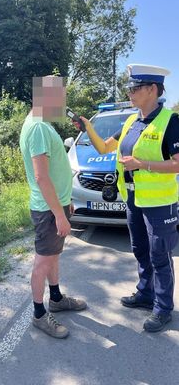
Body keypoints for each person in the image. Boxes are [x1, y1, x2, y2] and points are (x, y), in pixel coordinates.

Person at [77, 64, 179, 332]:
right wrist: (87, 126)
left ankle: (163, 308)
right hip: (133, 199)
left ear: (152, 89)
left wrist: (142, 164)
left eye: (135, 88)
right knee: (140, 250)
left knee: (160, 255)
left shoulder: (171, 121)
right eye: (130, 88)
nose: (130, 93)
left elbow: (178, 164)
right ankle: (145, 294)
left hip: (160, 203)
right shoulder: (131, 121)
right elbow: (104, 147)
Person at [19, 75, 87, 339]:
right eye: (60, 97)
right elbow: (41, 176)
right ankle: (38, 314)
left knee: (52, 258)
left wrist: (65, 203)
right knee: (42, 263)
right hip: (48, 210)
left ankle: (56, 299)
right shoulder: (37, 127)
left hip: (56, 206)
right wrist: (60, 214)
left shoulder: (42, 125)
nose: (63, 102)